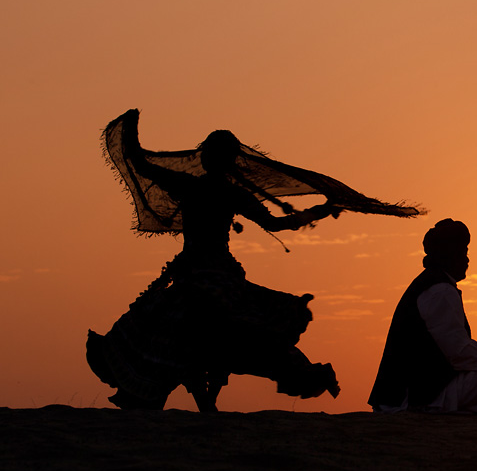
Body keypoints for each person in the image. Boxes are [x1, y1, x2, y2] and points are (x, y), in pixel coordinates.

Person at [87, 109, 423, 411]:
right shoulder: (224, 192)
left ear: (207, 158)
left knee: (190, 331)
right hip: (209, 274)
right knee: (222, 331)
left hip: (204, 275)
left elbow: (142, 164)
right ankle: (206, 399)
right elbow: (278, 223)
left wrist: (130, 136)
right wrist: (322, 209)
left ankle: (202, 399)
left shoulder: (197, 188)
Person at [368, 219, 477, 413]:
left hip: (415, 391)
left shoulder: (433, 285)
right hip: (414, 395)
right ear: (449, 255)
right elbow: (459, 353)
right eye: (463, 253)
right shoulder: (439, 291)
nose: (467, 260)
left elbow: (460, 342)